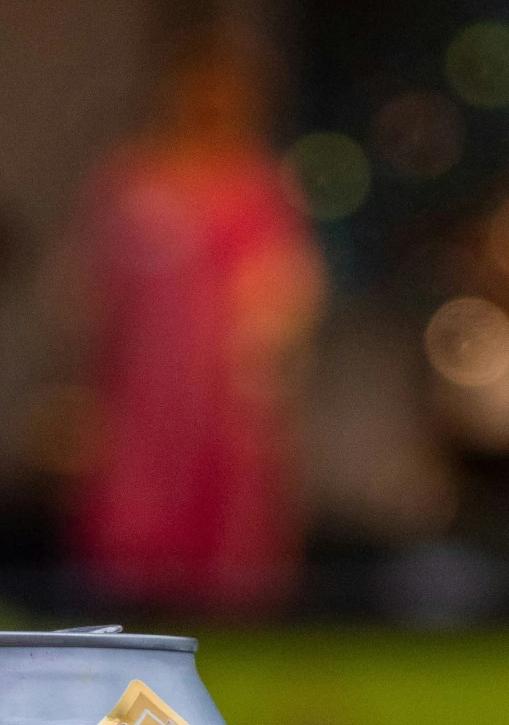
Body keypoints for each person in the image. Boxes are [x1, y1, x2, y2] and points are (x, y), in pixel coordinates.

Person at [68, 36, 326, 612]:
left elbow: (282, 289)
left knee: (227, 516)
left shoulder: (256, 187)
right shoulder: (133, 179)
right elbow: (91, 289)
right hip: (140, 389)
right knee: (134, 510)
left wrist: (265, 369)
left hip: (222, 390)